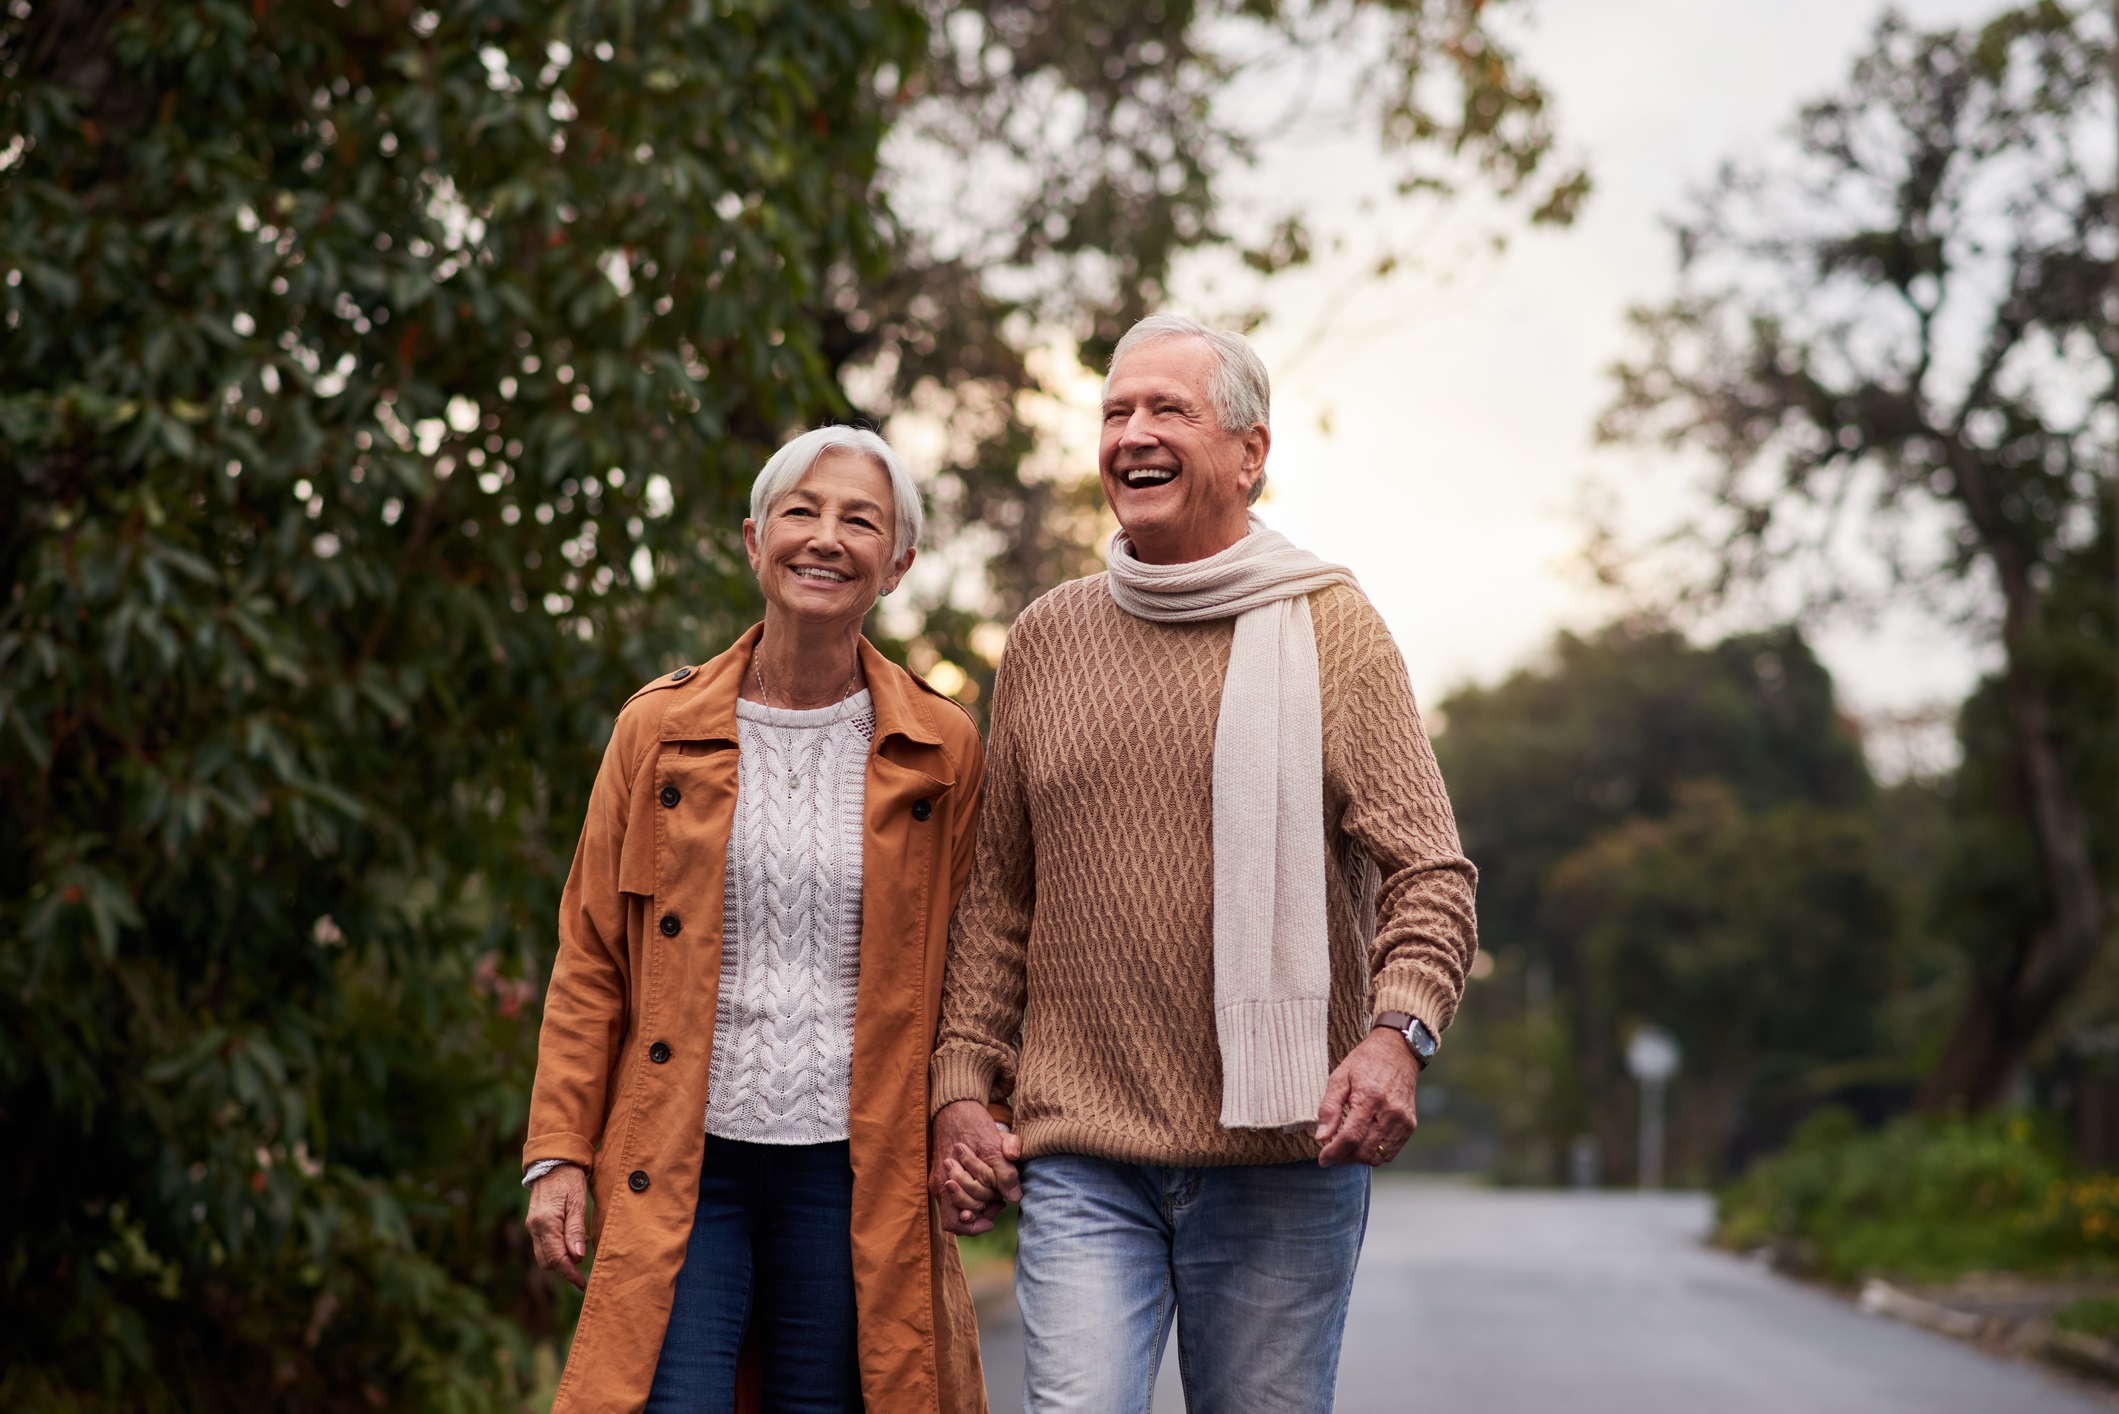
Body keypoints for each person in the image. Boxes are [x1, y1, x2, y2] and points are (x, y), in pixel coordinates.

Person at [927, 314, 1479, 1413]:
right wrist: (957, 1089)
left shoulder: (1332, 628)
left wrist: (1395, 1036)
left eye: (1167, 409)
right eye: (1116, 412)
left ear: (1250, 452)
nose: (1133, 432)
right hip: (1082, 1151)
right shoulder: (1044, 639)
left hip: (1282, 1159)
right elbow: (997, 901)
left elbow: (1430, 872)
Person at [523, 426, 991, 1414]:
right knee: (666, 1398)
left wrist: (973, 1107)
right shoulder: (656, 730)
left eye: (859, 520)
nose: (826, 537)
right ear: (753, 539)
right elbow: (592, 957)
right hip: (684, 1154)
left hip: (851, 1166)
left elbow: (978, 960)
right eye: (801, 511)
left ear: (896, 564)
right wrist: (559, 1149)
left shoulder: (941, 750)